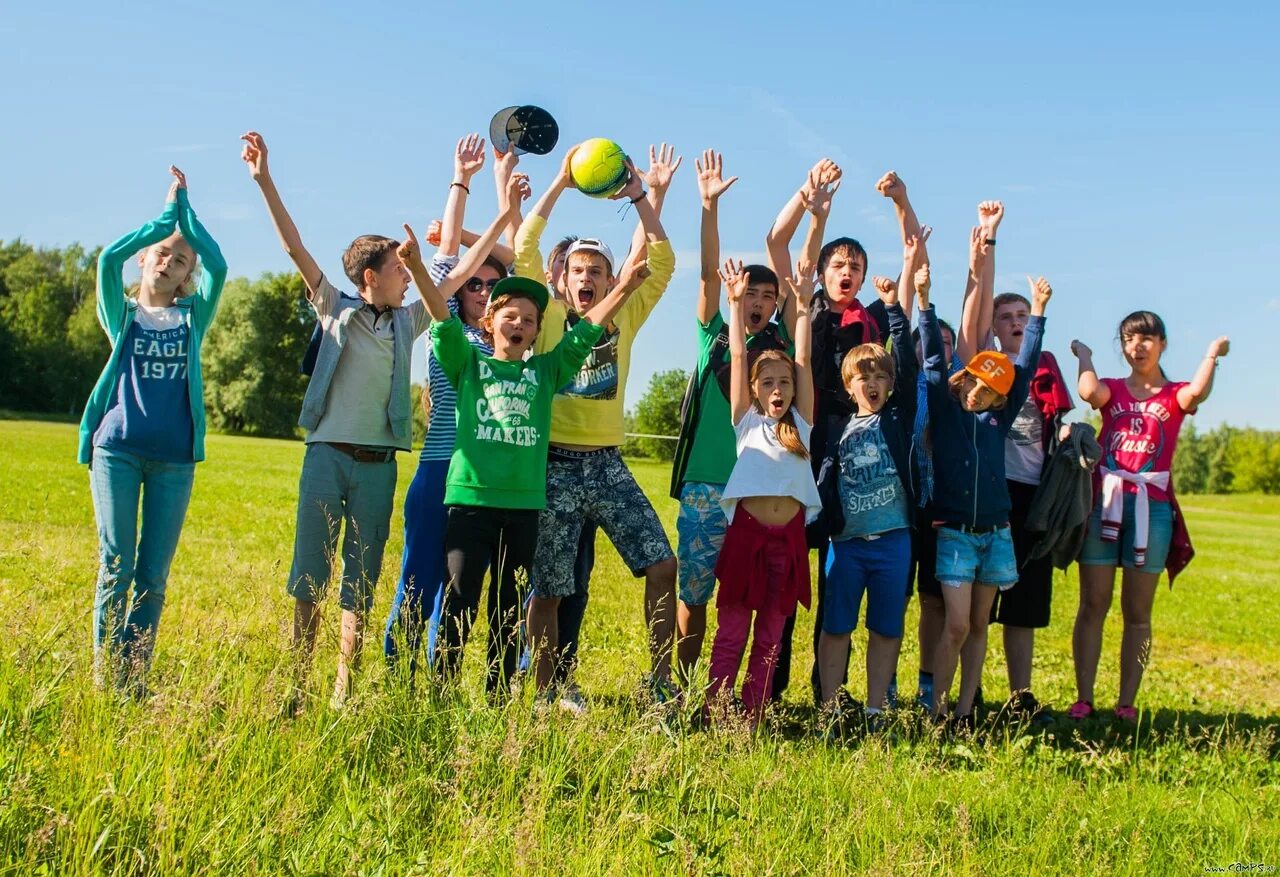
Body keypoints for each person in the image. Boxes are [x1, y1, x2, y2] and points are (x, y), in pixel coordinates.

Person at [241, 131, 510, 712]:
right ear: (369, 274)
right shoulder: (334, 307)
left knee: (359, 584)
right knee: (310, 574)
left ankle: (344, 688)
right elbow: (295, 248)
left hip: (378, 466)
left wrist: (503, 215)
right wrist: (264, 179)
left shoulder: (411, 321)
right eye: (397, 269)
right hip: (326, 457)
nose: (407, 277)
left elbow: (461, 272)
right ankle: (293, 684)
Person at [398, 201, 653, 696]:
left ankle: (496, 697)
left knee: (507, 609)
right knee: (460, 599)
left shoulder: (546, 371)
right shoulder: (466, 364)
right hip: (470, 504)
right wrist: (414, 267)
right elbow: (439, 315)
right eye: (510, 315)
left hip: (523, 509)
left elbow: (587, 331)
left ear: (537, 331)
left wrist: (623, 287)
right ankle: (442, 692)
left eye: (530, 320)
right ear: (492, 322)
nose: (519, 324)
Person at [514, 144, 680, 710]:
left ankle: (660, 685)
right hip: (555, 464)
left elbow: (663, 262)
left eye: (598, 271)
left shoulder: (625, 311)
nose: (587, 277)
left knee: (663, 564)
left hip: (607, 464)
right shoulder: (549, 314)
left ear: (612, 279)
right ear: (561, 279)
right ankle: (545, 692)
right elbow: (526, 248)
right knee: (551, 588)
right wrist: (560, 182)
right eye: (579, 269)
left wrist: (640, 196)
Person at [79, 166, 227, 696]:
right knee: (115, 564)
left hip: (173, 462)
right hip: (116, 451)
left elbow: (220, 264)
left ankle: (133, 676)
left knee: (153, 577)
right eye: (161, 252)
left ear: (188, 275)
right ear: (144, 259)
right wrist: (164, 220)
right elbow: (105, 260)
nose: (169, 261)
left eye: (180, 259)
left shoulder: (192, 317)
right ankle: (104, 677)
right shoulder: (120, 314)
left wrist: (186, 216)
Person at [383, 134, 517, 681]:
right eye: (475, 283)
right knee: (420, 574)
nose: (483, 288)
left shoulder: (514, 337)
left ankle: (437, 678)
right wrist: (462, 179)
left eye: (492, 284)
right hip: (440, 469)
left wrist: (507, 193)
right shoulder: (447, 330)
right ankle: (399, 672)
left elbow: (515, 259)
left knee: (460, 586)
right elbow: (440, 266)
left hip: (489, 480)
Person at [669, 150, 793, 685]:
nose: (759, 300)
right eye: (752, 293)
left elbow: (789, 260)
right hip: (704, 483)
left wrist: (813, 211)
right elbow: (705, 271)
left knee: (744, 601)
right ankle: (686, 685)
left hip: (754, 495)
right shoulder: (712, 332)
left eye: (770, 295)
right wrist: (708, 207)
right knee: (693, 593)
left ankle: (738, 693)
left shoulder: (780, 346)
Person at [1068, 314, 1227, 721]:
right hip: (1106, 503)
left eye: (1147, 338)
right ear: (1122, 346)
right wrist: (1085, 356)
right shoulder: (1116, 391)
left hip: (1151, 509)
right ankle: (1084, 697)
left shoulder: (1173, 395)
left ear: (1162, 344)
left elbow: (1197, 394)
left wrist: (1211, 355)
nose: (1137, 346)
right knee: (1093, 604)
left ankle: (1126, 702)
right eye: (1129, 339)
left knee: (1137, 612)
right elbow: (1089, 392)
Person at [921, 267, 1054, 730]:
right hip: (956, 535)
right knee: (956, 625)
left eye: (992, 389)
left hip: (996, 534)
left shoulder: (999, 418)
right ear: (965, 377)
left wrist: (1037, 315)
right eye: (976, 382)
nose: (981, 392)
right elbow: (934, 366)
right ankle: (934, 710)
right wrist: (923, 304)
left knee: (979, 625)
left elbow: (1027, 366)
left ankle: (962, 712)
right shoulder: (946, 408)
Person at [961, 200, 1075, 723]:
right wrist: (987, 242)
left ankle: (1021, 697)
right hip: (991, 489)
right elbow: (978, 306)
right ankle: (971, 692)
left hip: (1033, 494)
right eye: (1005, 318)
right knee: (979, 602)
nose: (1011, 323)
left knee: (1025, 602)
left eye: (1020, 317)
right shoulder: (988, 367)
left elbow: (1057, 424)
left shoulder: (1043, 365)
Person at [813, 240, 924, 731]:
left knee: (885, 629)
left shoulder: (899, 421)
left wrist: (897, 310)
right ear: (848, 383)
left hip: (894, 543)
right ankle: (831, 707)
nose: (873, 382)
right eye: (864, 376)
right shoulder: (834, 431)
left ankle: (876, 708)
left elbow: (913, 363)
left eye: (882, 375)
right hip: (847, 544)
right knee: (836, 627)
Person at [708, 259, 820, 727]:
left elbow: (804, 358)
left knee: (772, 634)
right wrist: (734, 305)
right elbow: (737, 356)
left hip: (787, 541)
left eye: (785, 383)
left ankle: (751, 716)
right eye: (769, 383)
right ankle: (716, 710)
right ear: (755, 390)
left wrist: (804, 310)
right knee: (733, 629)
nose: (778, 389)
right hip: (747, 538)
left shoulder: (802, 425)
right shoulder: (746, 421)